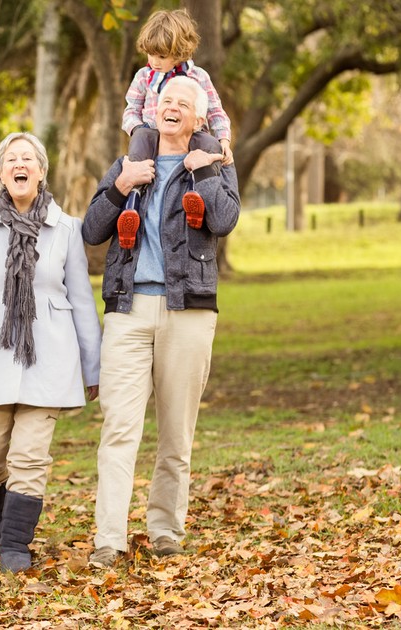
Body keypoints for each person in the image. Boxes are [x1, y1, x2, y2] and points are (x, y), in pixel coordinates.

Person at [82, 76, 240, 569]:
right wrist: (120, 187)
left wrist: (206, 173)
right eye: (165, 101)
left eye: (183, 103)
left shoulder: (213, 162)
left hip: (188, 311)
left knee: (176, 432)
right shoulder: (130, 161)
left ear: (198, 119)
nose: (172, 108)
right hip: (128, 311)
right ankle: (109, 539)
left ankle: (166, 529)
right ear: (154, 111)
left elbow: (225, 220)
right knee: (119, 430)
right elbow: (91, 230)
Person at [0, 132, 101, 572]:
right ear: (1, 174)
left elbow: (82, 300)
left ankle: (15, 545)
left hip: (50, 355)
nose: (20, 163)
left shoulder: (67, 229)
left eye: (27, 157)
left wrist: (93, 366)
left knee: (29, 458)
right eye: (11, 158)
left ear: (41, 170)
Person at [119, 8, 234, 249]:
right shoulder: (143, 76)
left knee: (207, 143)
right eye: (150, 54)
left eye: (160, 56)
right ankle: (132, 206)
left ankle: (195, 199)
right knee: (140, 139)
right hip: (152, 136)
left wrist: (223, 139)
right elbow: (130, 110)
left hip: (189, 135)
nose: (153, 61)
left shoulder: (198, 77)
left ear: (179, 52)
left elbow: (214, 110)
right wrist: (137, 127)